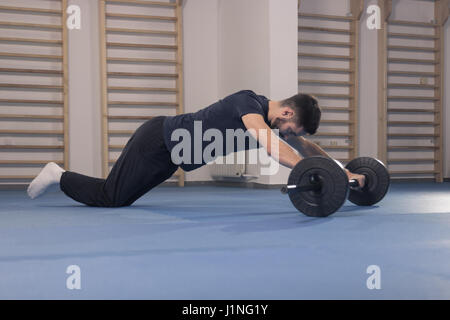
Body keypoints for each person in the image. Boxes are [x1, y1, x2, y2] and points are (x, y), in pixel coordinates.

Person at [27, 89, 365, 207]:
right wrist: (318, 172)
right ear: (287, 113)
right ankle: (59, 175)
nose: (290, 133)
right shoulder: (249, 104)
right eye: (292, 127)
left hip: (171, 156)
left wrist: (342, 172)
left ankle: (64, 177)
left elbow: (305, 147)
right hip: (157, 140)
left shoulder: (270, 120)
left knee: (118, 198)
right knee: (110, 197)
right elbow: (274, 148)